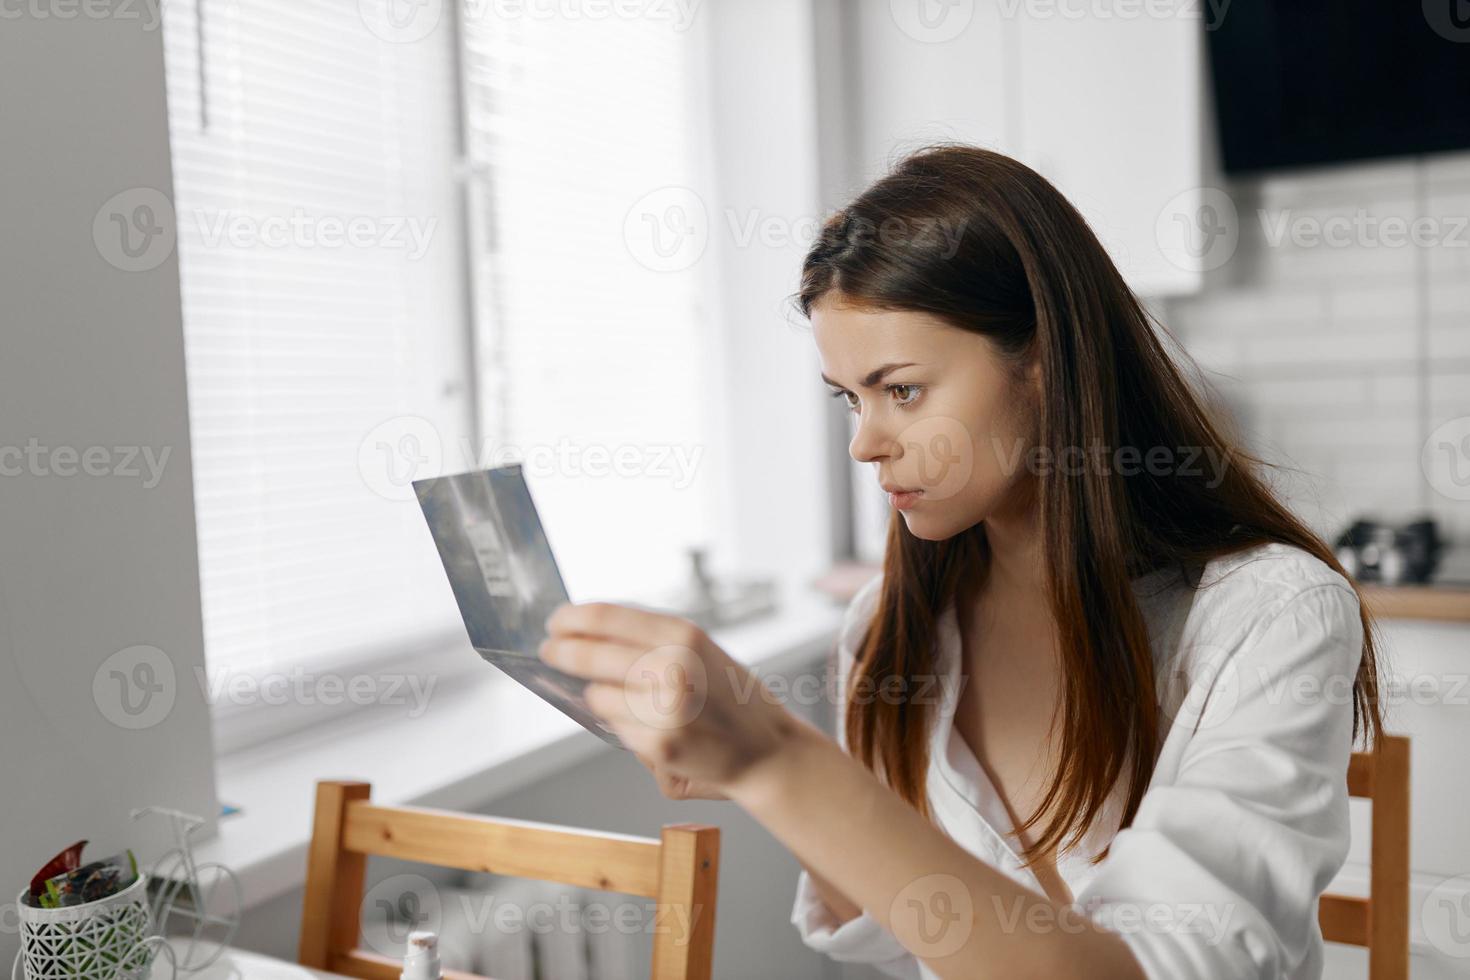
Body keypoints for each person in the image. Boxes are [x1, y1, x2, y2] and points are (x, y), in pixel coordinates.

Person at [536, 144, 1385, 980]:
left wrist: (779, 763)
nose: (865, 444)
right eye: (848, 398)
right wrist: (753, 780)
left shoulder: (1271, 614)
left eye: (901, 389)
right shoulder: (887, 627)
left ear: (1045, 367)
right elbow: (902, 935)